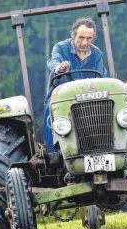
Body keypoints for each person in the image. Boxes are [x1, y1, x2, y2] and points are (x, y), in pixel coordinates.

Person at [44, 17, 109, 152]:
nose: (85, 42)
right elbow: (53, 61)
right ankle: (53, 152)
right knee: (50, 106)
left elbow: (103, 77)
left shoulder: (96, 53)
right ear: (73, 35)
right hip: (64, 96)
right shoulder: (61, 47)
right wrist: (59, 67)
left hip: (90, 96)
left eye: (89, 38)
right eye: (81, 37)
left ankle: (104, 145)